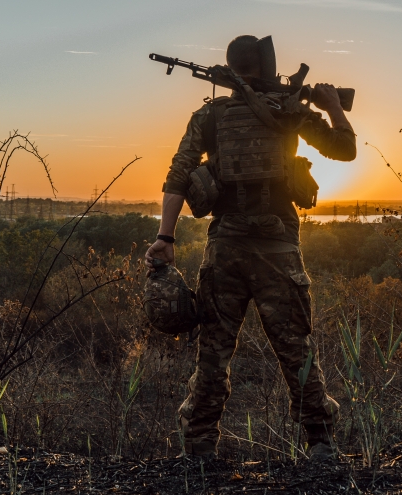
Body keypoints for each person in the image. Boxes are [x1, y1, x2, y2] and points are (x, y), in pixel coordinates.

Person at [145, 34, 357, 461]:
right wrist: (332, 105)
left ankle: (200, 445)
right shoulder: (290, 111)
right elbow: (346, 149)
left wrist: (165, 238)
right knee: (295, 347)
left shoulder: (210, 115)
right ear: (266, 65)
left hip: (225, 248)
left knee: (213, 351)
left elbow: (177, 175)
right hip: (277, 245)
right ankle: (319, 443)